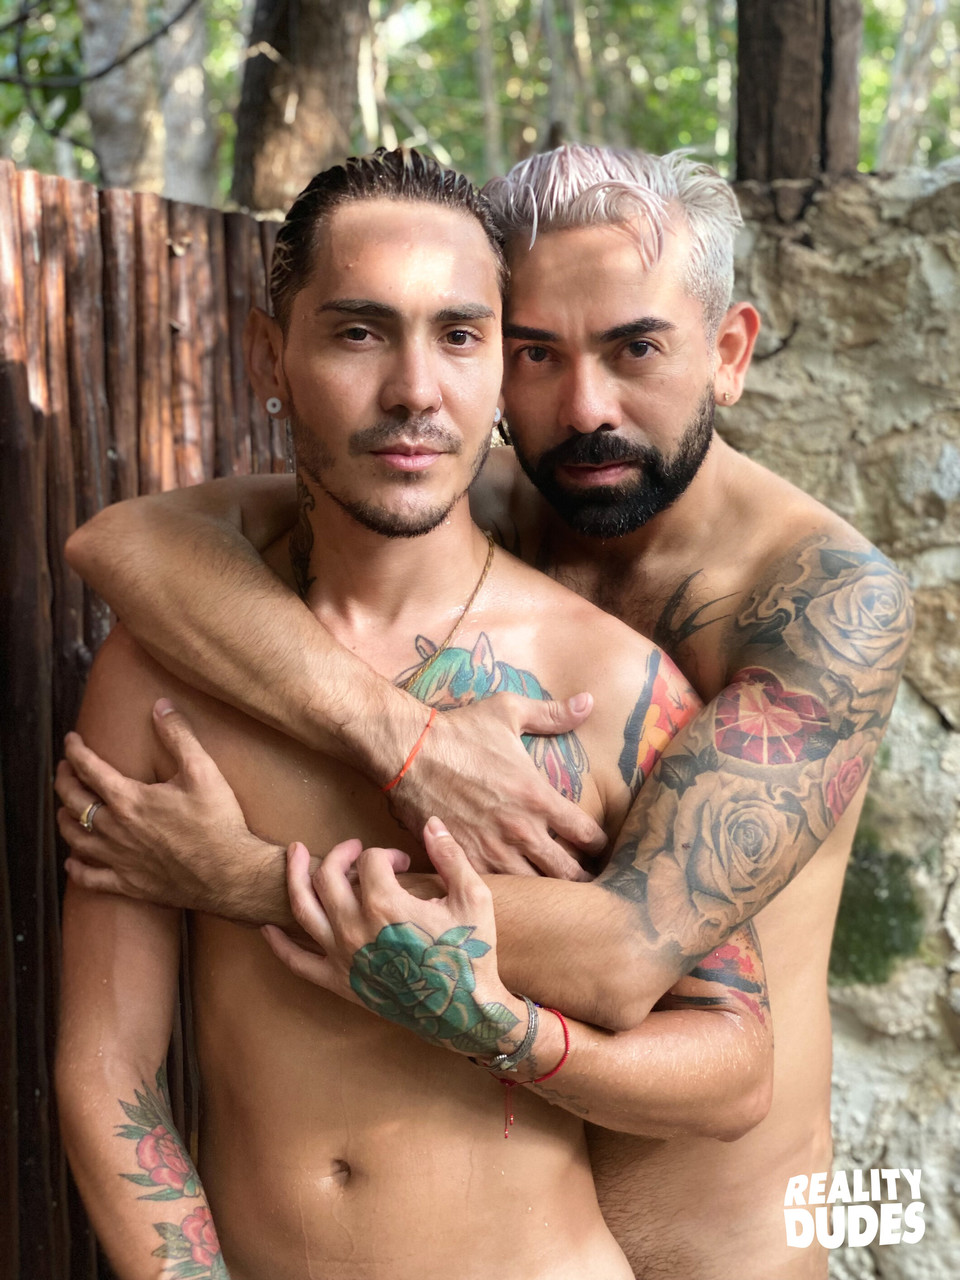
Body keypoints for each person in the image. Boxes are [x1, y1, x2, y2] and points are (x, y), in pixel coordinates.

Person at [57, 145, 913, 1277]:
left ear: (729, 352)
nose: (583, 406)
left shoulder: (821, 603)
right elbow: (124, 543)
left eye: (636, 347)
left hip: (729, 1243)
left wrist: (245, 876)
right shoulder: (468, 493)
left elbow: (626, 955)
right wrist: (402, 736)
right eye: (536, 352)